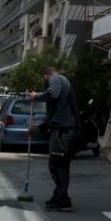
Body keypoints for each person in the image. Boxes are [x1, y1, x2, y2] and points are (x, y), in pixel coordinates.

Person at [29, 67, 80, 212]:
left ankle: (62, 200)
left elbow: (52, 93)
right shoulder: (62, 85)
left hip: (64, 130)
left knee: (58, 164)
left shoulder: (56, 78)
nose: (45, 82)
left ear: (46, 76)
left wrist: (36, 96)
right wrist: (39, 128)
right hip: (64, 128)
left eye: (44, 79)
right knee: (57, 164)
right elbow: (53, 117)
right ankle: (60, 197)